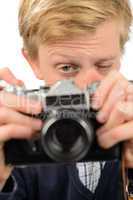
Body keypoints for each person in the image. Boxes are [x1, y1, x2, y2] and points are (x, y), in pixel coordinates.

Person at [0, 0, 133, 199]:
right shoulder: (17, 135)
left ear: (120, 55)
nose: (86, 85)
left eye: (103, 65)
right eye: (67, 68)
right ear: (33, 62)